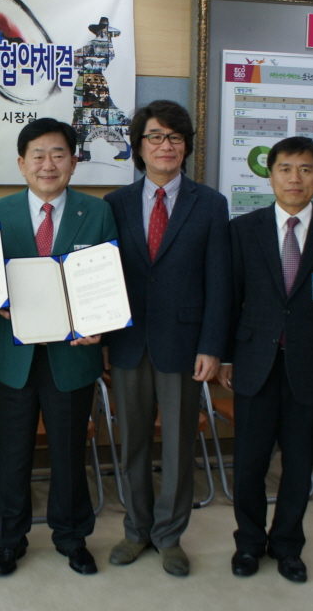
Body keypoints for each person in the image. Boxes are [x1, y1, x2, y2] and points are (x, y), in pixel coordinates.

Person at [218, 136, 313, 583]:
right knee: (249, 463)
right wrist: (225, 357)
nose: (294, 178)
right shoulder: (243, 230)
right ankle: (248, 543)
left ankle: (287, 546)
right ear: (270, 176)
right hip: (255, 363)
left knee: (299, 465)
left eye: (305, 169)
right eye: (285, 168)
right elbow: (229, 300)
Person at [0, 117, 117, 577]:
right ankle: (9, 540)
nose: (48, 164)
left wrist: (101, 324)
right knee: (11, 455)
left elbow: (107, 278)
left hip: (72, 356)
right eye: (37, 155)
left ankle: (72, 537)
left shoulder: (96, 212)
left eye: (58, 154)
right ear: (21, 163)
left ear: (74, 162)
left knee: (69, 454)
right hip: (15, 357)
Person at [102, 100, 231, 577]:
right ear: (138, 146)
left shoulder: (210, 204)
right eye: (155, 136)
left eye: (175, 137)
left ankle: (170, 536)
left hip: (185, 343)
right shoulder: (114, 204)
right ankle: (136, 529)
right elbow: (102, 276)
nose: (165, 146)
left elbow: (220, 282)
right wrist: (101, 339)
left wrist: (212, 346)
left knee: (178, 446)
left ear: (186, 147)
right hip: (129, 341)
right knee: (132, 443)